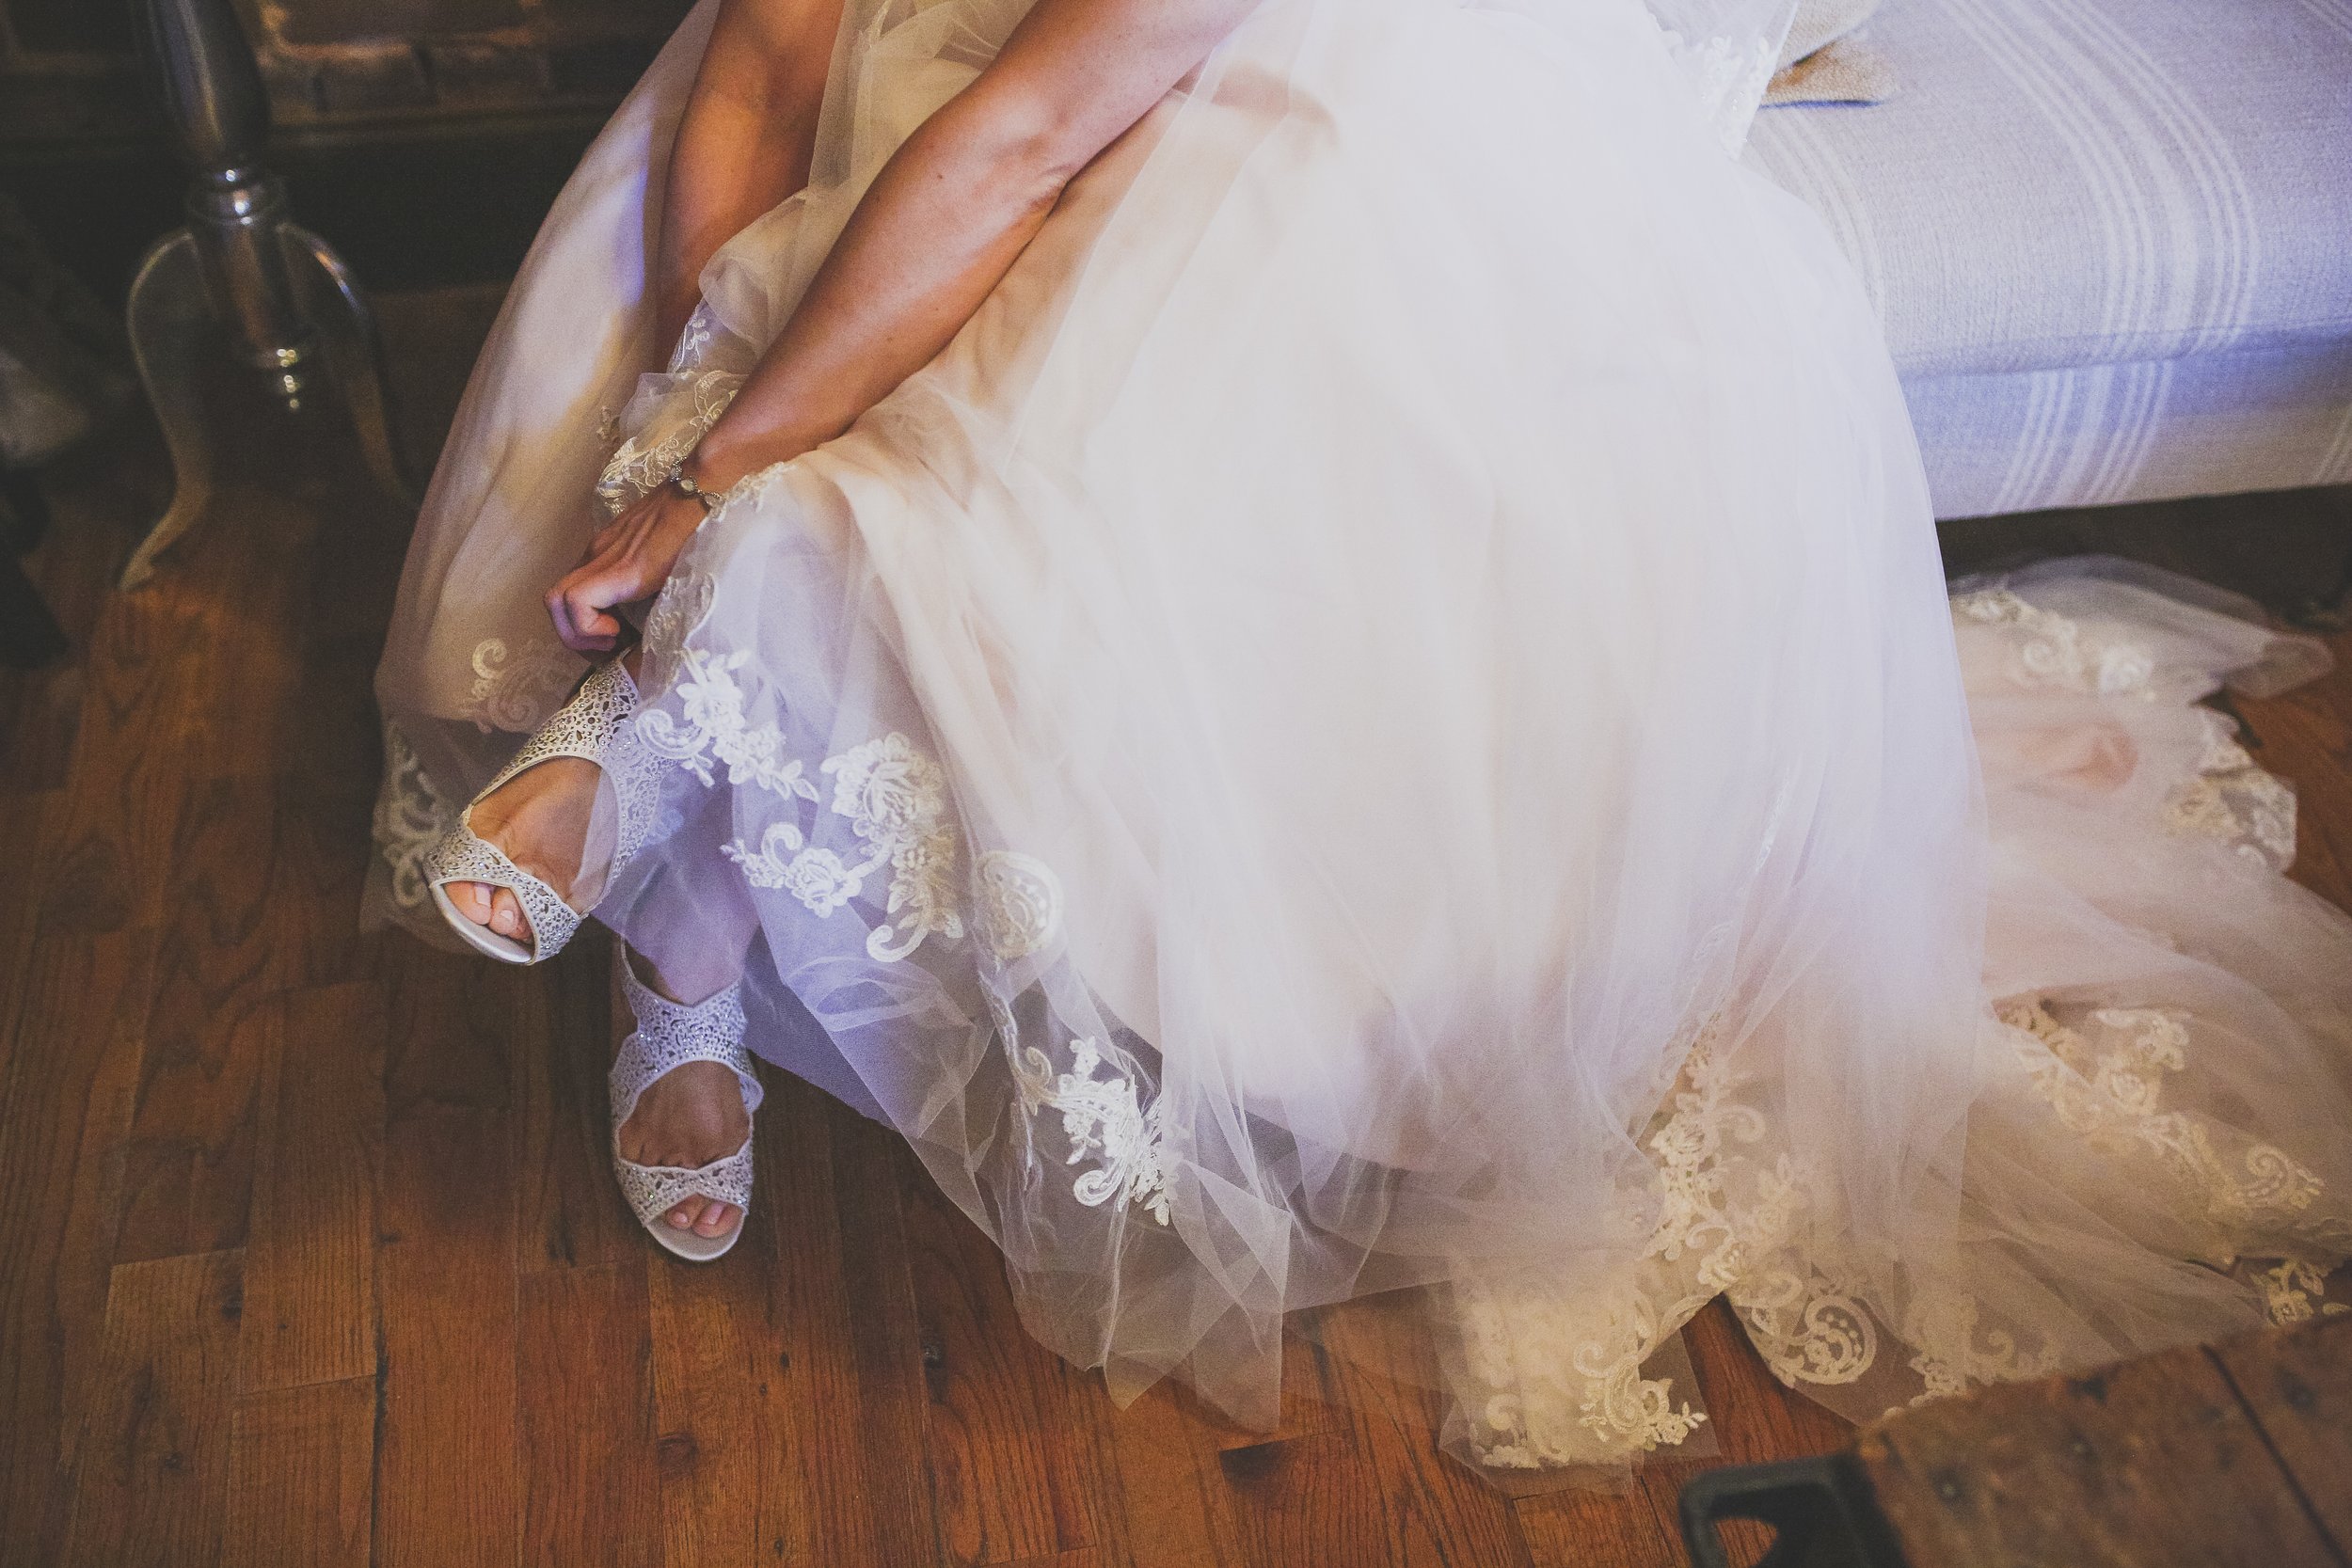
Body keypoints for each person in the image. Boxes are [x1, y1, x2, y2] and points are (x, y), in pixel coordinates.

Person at [371, 0, 2352, 1472]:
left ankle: (673, 838)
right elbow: (759, 54)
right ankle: (678, 825)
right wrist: (693, 377)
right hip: (1028, 86)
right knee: (801, 291)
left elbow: (1019, 143)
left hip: (1337, 125)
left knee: (1040, 402)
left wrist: (715, 480)